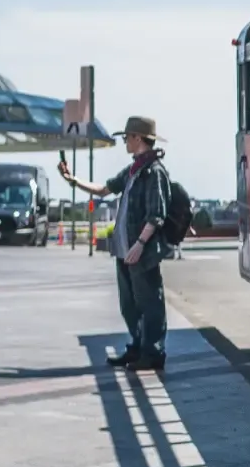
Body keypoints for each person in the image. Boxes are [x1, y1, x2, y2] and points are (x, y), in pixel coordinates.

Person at [59, 117, 171, 371]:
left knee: (150, 302)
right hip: (124, 249)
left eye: (127, 137)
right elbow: (103, 189)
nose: (124, 142)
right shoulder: (133, 170)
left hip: (140, 251)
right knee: (130, 304)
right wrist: (72, 180)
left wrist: (140, 244)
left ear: (138, 139)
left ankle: (152, 353)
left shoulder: (154, 172)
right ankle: (137, 346)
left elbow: (157, 215)